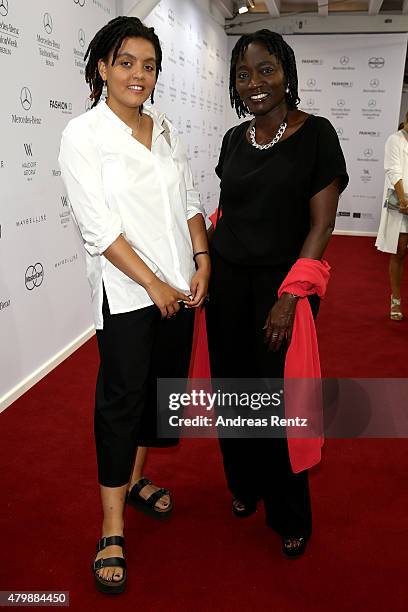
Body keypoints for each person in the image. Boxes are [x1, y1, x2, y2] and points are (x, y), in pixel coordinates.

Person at [58, 16, 209, 593]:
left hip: (180, 288)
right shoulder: (84, 135)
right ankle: (112, 526)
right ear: (102, 67)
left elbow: (190, 197)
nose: (138, 75)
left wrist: (202, 257)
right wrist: (154, 285)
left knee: (158, 393)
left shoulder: (164, 128)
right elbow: (99, 228)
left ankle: (137, 481)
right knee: (121, 404)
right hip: (129, 295)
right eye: (126, 63)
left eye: (148, 65)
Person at [206, 30, 348, 557]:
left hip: (282, 289)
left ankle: (289, 513)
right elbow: (229, 213)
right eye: (243, 75)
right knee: (233, 392)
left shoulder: (318, 136)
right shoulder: (232, 140)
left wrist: (290, 298)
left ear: (287, 72)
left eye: (266, 70)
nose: (255, 84)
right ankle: (244, 485)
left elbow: (322, 225)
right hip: (227, 283)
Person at [376, 112, 408, 320]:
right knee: (400, 251)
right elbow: (393, 170)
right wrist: (404, 200)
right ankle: (395, 300)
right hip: (402, 203)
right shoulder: (395, 140)